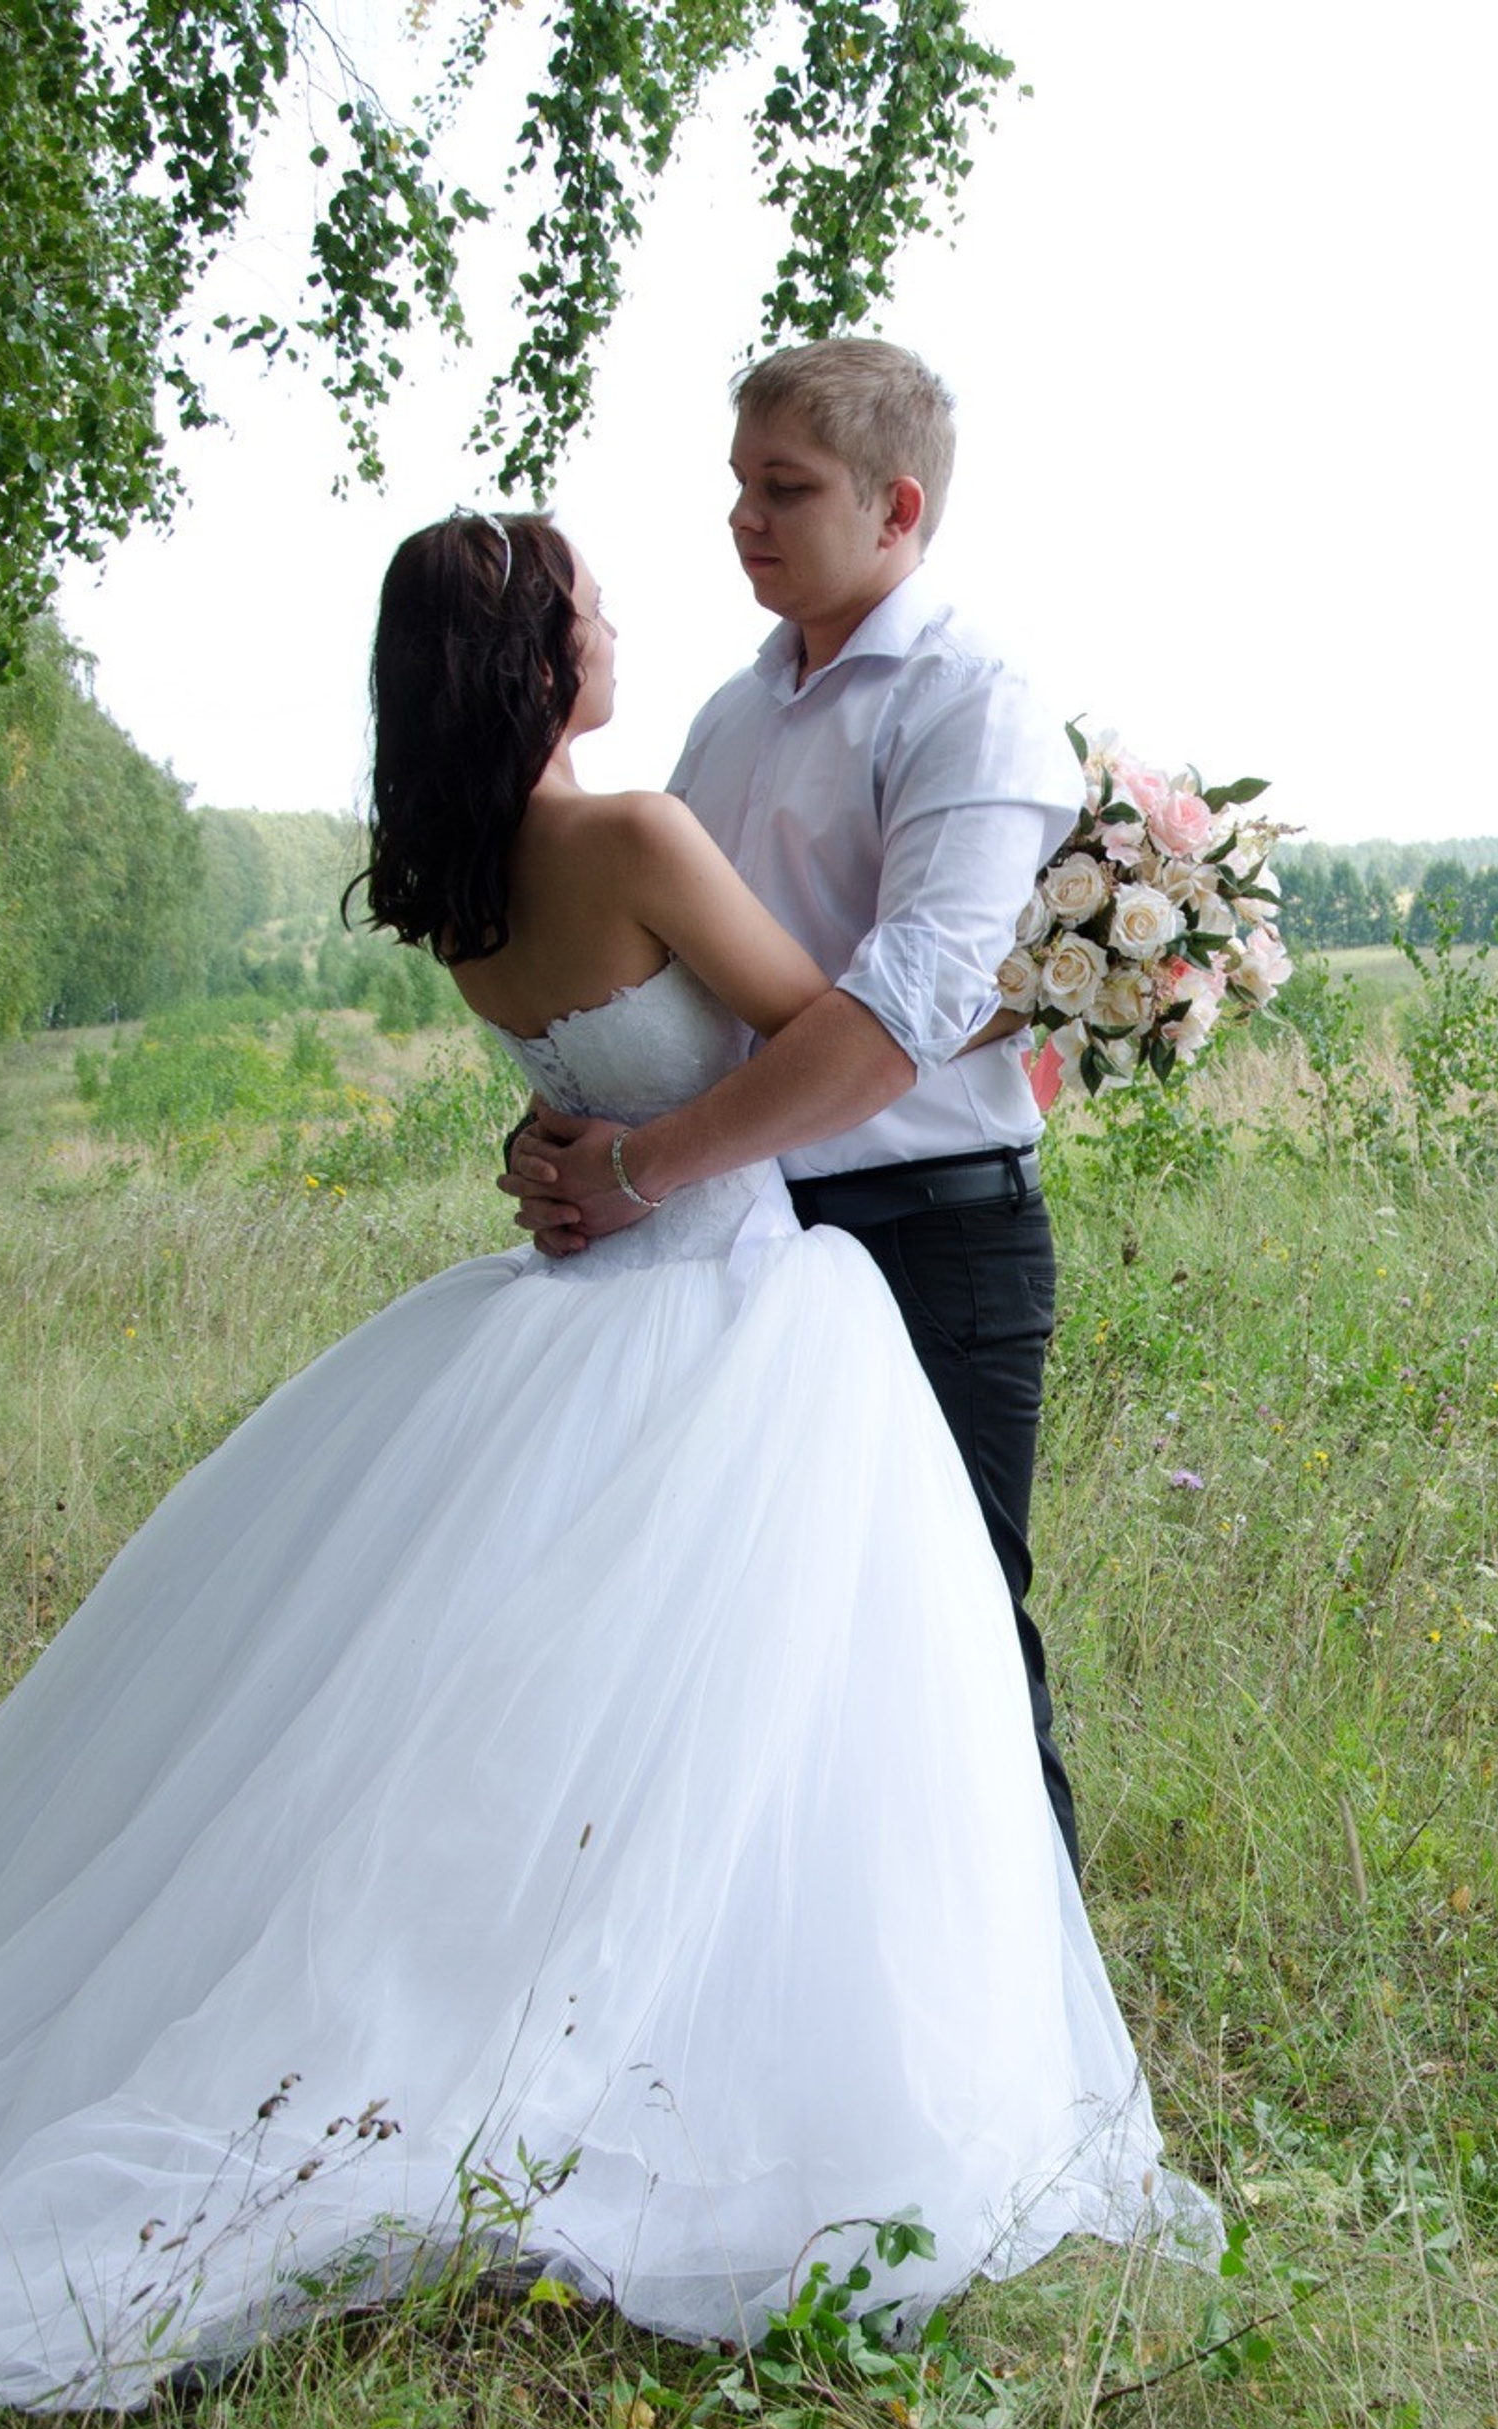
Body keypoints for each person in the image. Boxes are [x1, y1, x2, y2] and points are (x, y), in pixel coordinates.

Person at [0, 511, 1216, 2414]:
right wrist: (1036, 982)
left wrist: (599, 1141)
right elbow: (827, 1030)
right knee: (785, 1695)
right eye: (590, 603)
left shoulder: (467, 881)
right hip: (730, 1292)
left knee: (542, 1702)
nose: (628, 613)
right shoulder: (630, 833)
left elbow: (601, 1060)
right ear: (541, 658)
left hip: (584, 1295)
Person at [503, 340, 1086, 1868]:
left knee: (947, 1632)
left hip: (923, 1233)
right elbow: (660, 986)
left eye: (787, 489)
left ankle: (1039, 2047)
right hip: (732, 1245)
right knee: (736, 1643)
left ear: (898, 509)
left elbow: (905, 1017)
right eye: (738, 489)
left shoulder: (972, 703)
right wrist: (572, 1119)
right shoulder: (729, 717)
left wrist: (645, 1165)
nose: (745, 522)